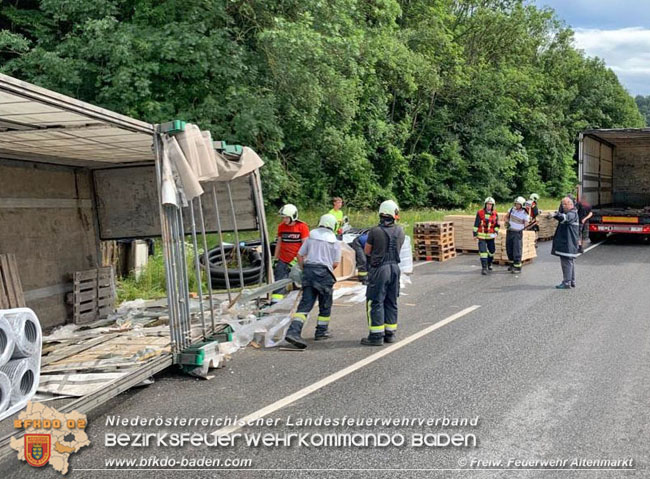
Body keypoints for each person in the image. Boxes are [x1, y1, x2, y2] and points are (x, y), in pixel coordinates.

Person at [285, 214, 341, 348]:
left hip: (309, 271)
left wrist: (304, 269)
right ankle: (321, 332)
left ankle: (293, 332)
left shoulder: (311, 237)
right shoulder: (335, 242)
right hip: (324, 274)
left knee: (305, 305)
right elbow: (335, 263)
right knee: (325, 304)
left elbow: (300, 255)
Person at [361, 200, 405, 346]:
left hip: (380, 269)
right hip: (395, 269)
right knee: (391, 301)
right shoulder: (400, 231)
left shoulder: (375, 231)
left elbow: (367, 251)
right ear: (394, 214)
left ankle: (376, 336)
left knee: (375, 301)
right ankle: (390, 334)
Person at [271, 204, 310, 303]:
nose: (284, 220)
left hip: (297, 260)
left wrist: (298, 260)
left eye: (286, 218)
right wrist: (275, 258)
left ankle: (303, 300)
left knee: (300, 280)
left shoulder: (302, 227)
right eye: (283, 218)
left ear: (293, 216)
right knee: (279, 280)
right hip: (283, 259)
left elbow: (305, 246)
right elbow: (279, 243)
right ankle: (276, 300)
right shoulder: (281, 227)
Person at [550, 197, 580, 289]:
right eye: (562, 204)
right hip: (568, 243)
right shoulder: (571, 213)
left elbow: (565, 219)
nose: (562, 206)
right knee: (569, 262)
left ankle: (567, 282)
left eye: (564, 204)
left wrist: (555, 215)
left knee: (566, 263)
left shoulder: (572, 213)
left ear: (570, 204)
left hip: (568, 243)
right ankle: (571, 281)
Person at [473, 197, 500, 275]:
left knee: (492, 251)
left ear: (493, 205)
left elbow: (497, 225)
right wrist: (474, 234)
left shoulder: (495, 214)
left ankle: (489, 263)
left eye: (491, 204)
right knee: (483, 252)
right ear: (485, 204)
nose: (489, 206)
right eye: (488, 204)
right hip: (481, 236)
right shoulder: (480, 213)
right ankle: (484, 268)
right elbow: (476, 224)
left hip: (490, 236)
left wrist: (496, 232)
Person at [504, 196, 529, 273]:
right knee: (509, 248)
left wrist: (525, 227)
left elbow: (526, 224)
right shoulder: (511, 209)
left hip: (517, 233)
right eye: (516, 204)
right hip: (510, 231)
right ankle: (511, 265)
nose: (516, 205)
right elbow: (506, 217)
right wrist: (506, 222)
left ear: (522, 205)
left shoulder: (525, 214)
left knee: (517, 249)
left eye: (518, 204)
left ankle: (517, 267)